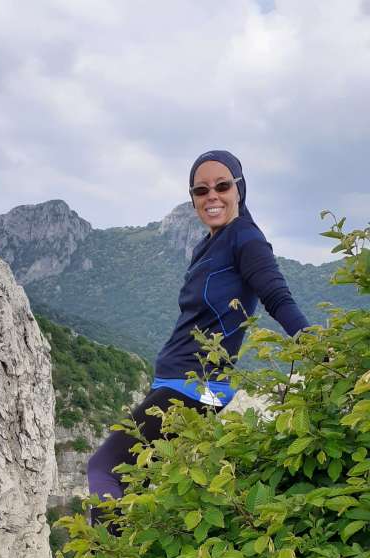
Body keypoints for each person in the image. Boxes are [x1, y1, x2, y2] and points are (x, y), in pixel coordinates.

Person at [87, 149, 309, 523]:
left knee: (104, 467)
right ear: (192, 198)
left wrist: (313, 344)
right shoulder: (207, 245)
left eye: (222, 186)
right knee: (140, 484)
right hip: (180, 384)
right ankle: (129, 554)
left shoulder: (246, 239)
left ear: (239, 189)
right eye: (201, 190)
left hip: (194, 387)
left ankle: (104, 557)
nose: (212, 196)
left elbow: (277, 297)